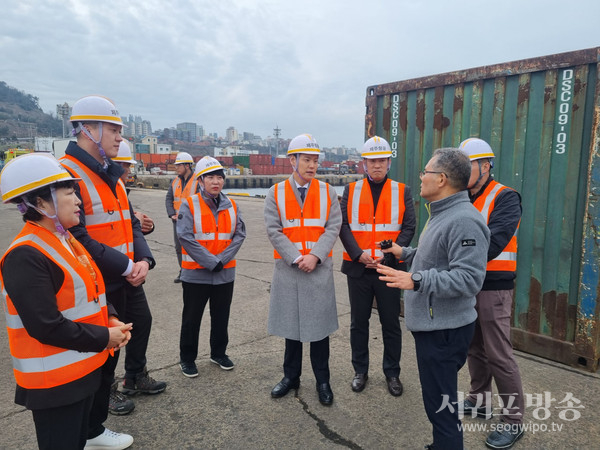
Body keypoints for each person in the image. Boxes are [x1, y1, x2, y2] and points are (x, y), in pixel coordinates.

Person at [0, 153, 132, 450]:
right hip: (54, 384)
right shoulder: (26, 255)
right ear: (41, 203)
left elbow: (91, 289)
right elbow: (45, 325)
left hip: (80, 372)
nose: (78, 201)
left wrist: (109, 317)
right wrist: (104, 337)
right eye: (70, 192)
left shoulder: (64, 239)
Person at [60, 95, 157, 449]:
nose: (120, 137)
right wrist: (127, 266)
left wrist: (143, 261)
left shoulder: (112, 173)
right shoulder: (67, 173)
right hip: (96, 281)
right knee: (101, 355)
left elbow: (129, 222)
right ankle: (90, 430)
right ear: (88, 129)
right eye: (113, 129)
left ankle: (99, 422)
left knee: (137, 327)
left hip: (126, 277)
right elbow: (77, 236)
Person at [377, 148, 490, 449]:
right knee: (437, 402)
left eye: (425, 172)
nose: (421, 178)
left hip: (444, 331)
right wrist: (406, 254)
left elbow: (469, 279)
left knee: (442, 410)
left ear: (441, 179)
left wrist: (414, 279)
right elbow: (437, 260)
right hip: (435, 326)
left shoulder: (464, 220)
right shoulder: (442, 212)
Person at [264, 134, 342, 406]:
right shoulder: (275, 193)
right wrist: (297, 257)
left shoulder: (327, 191)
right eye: (306, 159)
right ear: (292, 161)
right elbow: (273, 229)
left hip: (318, 270)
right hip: (290, 269)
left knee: (319, 332)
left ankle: (323, 380)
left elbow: (333, 227)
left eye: (315, 160)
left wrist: (315, 257)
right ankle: (290, 377)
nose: (312, 165)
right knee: (292, 330)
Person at [459, 138, 525, 449]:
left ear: (485, 167)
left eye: (467, 166)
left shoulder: (506, 197)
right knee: (474, 348)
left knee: (499, 354)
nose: (461, 172)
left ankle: (513, 421)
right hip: (468, 284)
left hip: (494, 287)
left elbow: (496, 240)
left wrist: (456, 257)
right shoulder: (461, 199)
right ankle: (479, 400)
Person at [339, 136, 416, 396]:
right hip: (359, 268)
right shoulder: (351, 190)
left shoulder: (402, 191)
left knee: (391, 324)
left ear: (388, 162)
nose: (377, 166)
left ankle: (392, 373)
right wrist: (358, 254)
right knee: (358, 323)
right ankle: (360, 371)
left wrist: (391, 255)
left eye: (382, 160)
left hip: (389, 269)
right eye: (372, 161)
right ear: (364, 164)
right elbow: (344, 225)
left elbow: (408, 227)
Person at [176, 156, 246, 377]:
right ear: (200, 180)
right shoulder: (189, 204)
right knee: (191, 319)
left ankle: (219, 353)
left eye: (219, 177)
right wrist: (210, 261)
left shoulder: (232, 205)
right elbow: (185, 237)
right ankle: (187, 358)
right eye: (210, 177)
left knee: (221, 316)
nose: (216, 182)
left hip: (224, 274)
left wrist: (221, 261)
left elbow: (239, 234)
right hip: (196, 274)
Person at [111, 141, 167, 400]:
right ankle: (107, 390)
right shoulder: (97, 189)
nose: (126, 171)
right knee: (112, 333)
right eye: (122, 165)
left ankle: (135, 376)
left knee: (141, 322)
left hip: (130, 274)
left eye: (127, 166)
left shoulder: (121, 190)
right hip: (106, 276)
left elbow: (132, 227)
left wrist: (144, 258)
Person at [165, 151, 195, 283]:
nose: (176, 168)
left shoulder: (197, 181)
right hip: (177, 221)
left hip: (192, 222)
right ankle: (183, 271)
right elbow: (169, 198)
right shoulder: (175, 181)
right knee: (179, 248)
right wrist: (171, 213)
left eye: (179, 165)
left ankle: (193, 271)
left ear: (187, 166)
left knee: (192, 246)